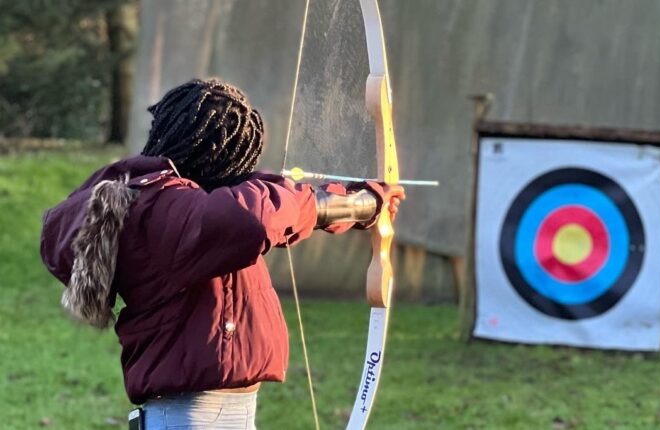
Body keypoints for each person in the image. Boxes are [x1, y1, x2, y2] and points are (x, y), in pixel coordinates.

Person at [40, 78, 404, 429]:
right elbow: (255, 217)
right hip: (192, 419)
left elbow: (265, 214)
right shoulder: (163, 210)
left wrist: (342, 201)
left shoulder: (175, 208)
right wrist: (357, 205)